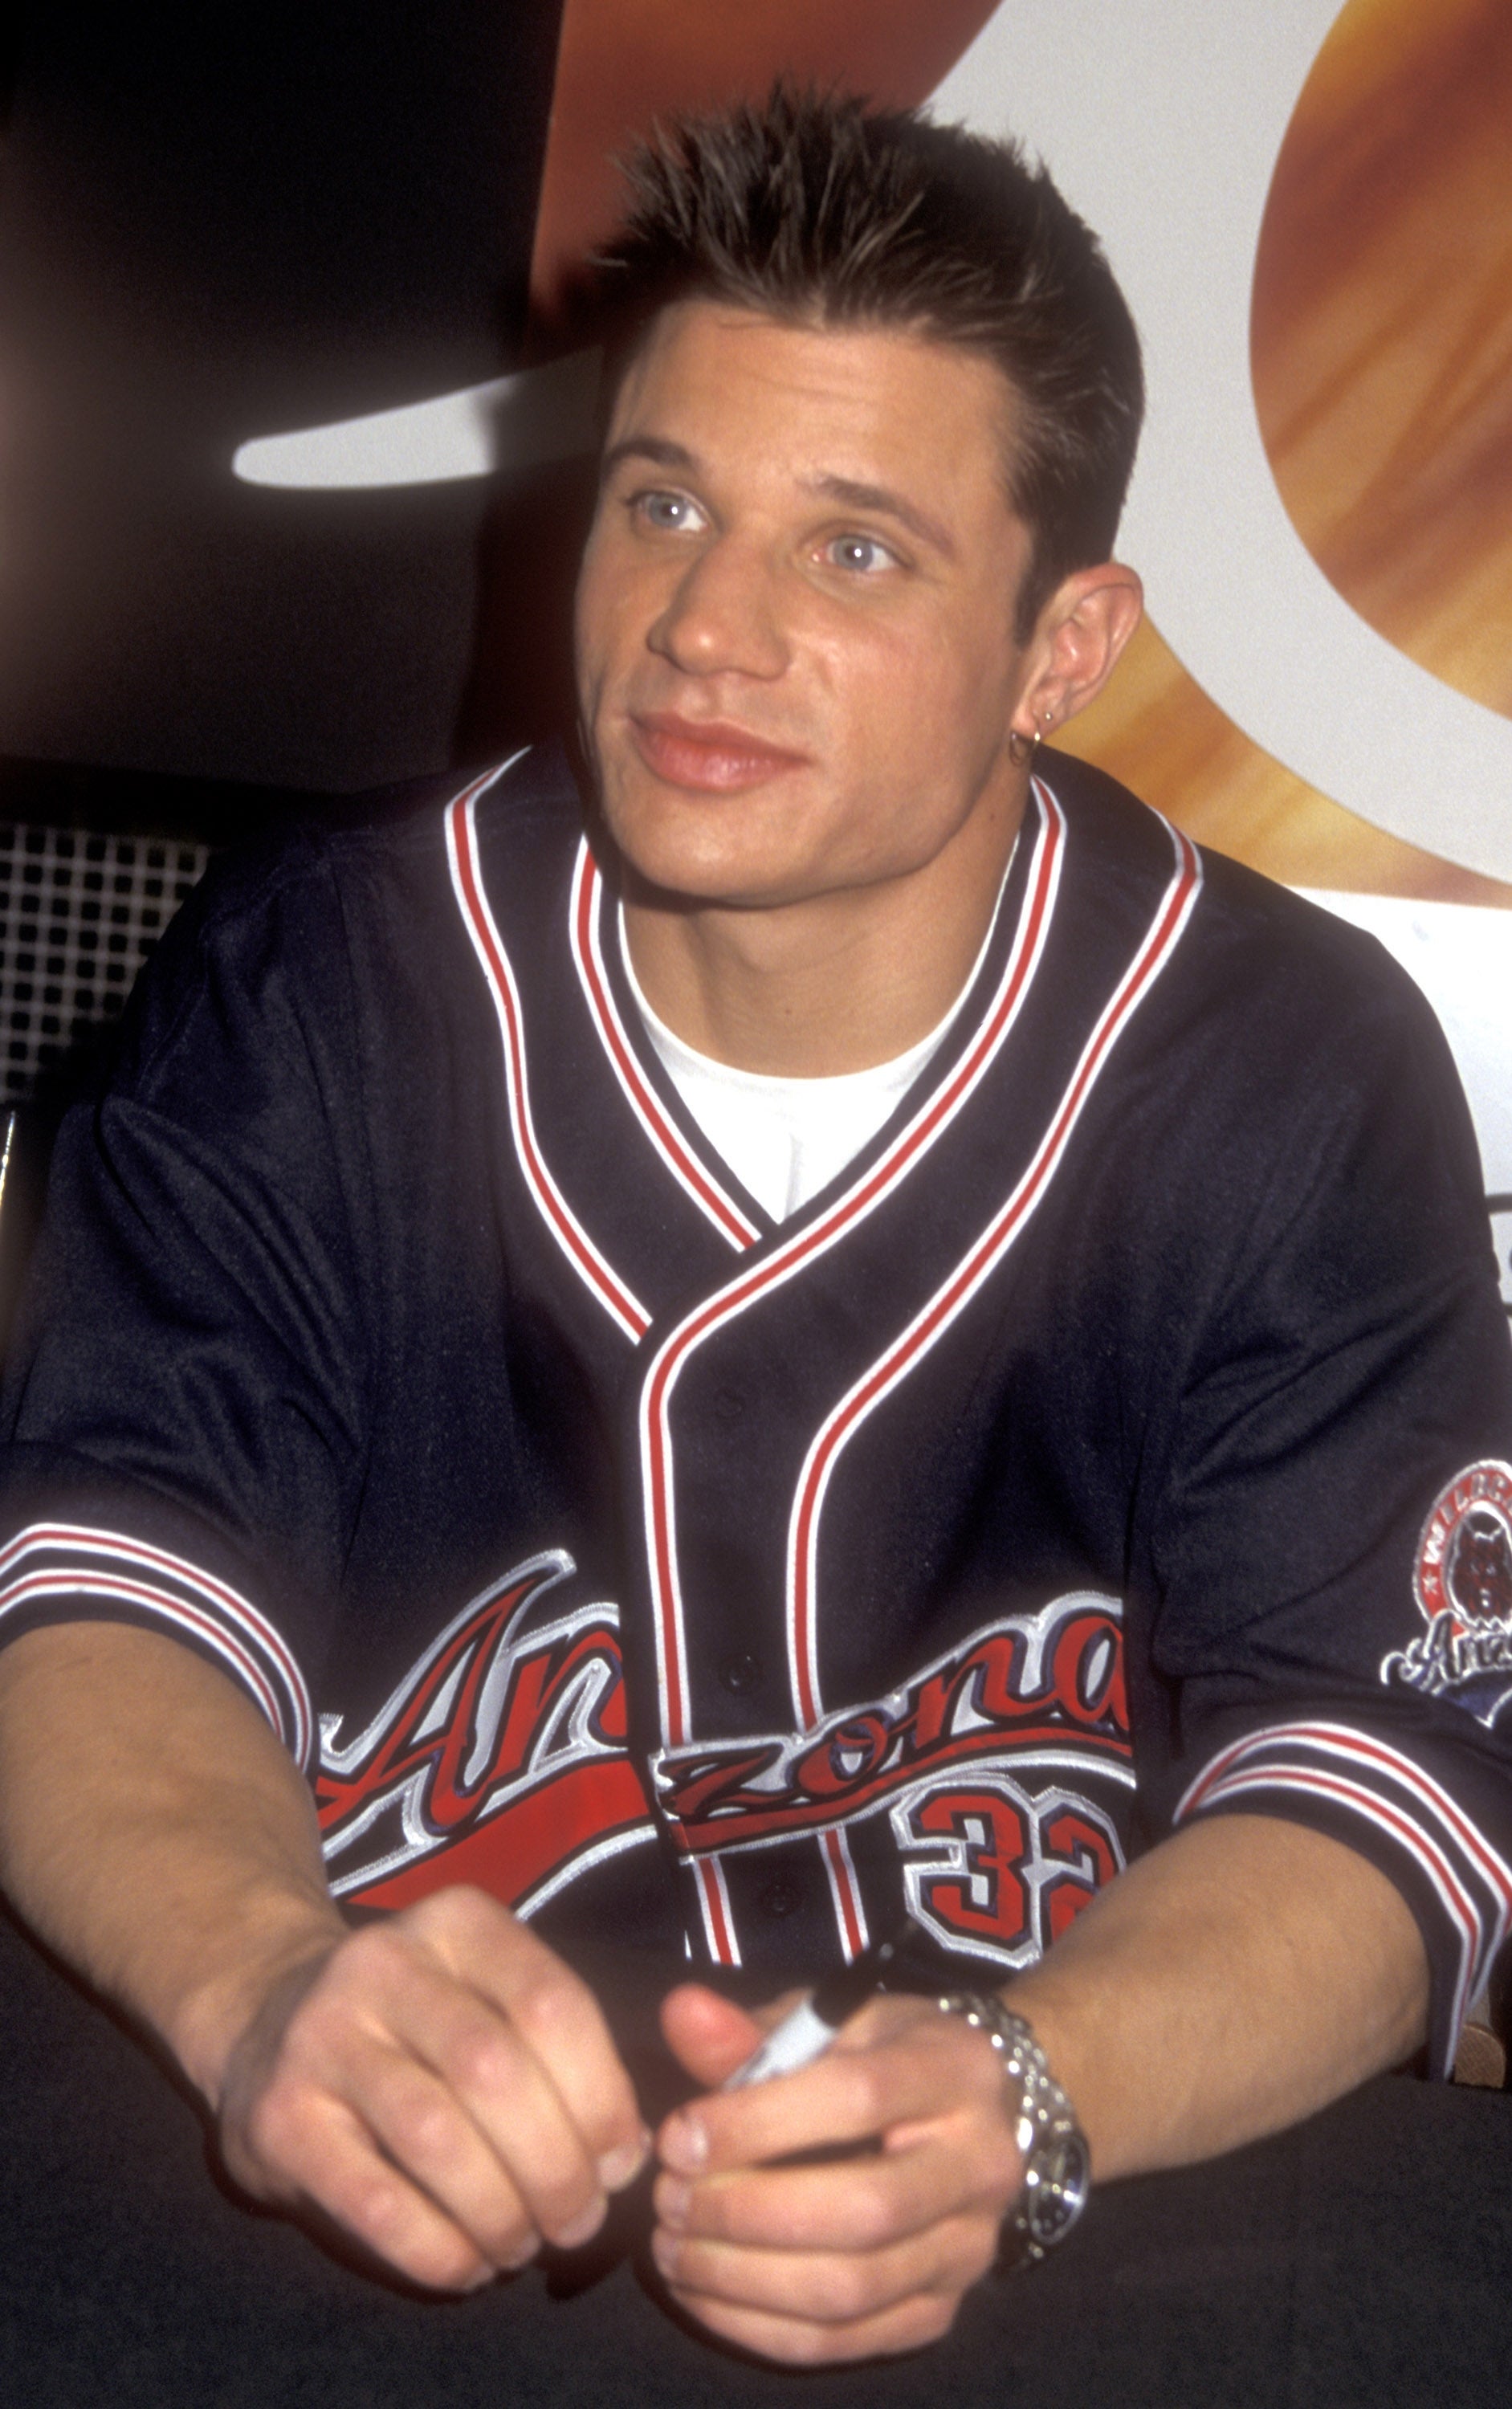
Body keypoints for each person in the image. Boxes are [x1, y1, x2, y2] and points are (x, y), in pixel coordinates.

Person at [0, 86, 1509, 2370]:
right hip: (384, 2111)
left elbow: (1379, 1780)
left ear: (1062, 643)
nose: (707, 625)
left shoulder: (1273, 1065)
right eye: (665, 502)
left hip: (1031, 2158)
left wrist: (1027, 2094)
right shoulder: (329, 973)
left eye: (857, 551)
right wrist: (256, 1979)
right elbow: (104, 1584)